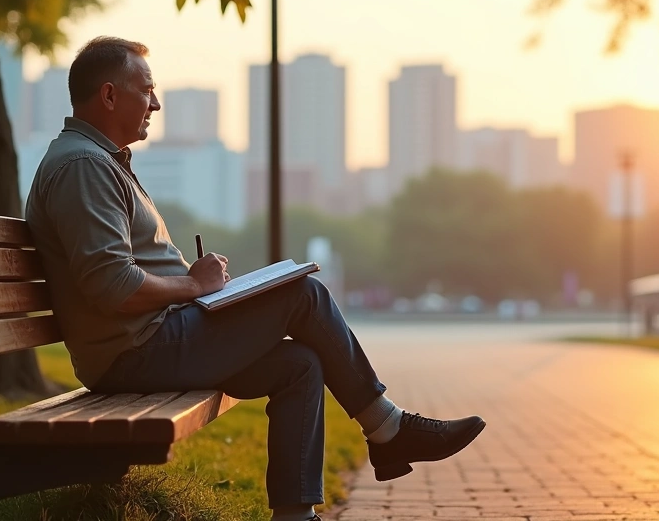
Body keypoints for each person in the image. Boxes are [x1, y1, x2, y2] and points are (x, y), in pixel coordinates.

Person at [24, 37, 485, 521]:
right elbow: (112, 286)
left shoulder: (97, 161)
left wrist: (207, 293)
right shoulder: (84, 166)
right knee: (303, 293)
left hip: (154, 338)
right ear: (110, 95)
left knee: (300, 363)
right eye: (148, 89)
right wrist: (196, 286)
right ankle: (388, 430)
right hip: (137, 352)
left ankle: (296, 515)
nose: (156, 103)